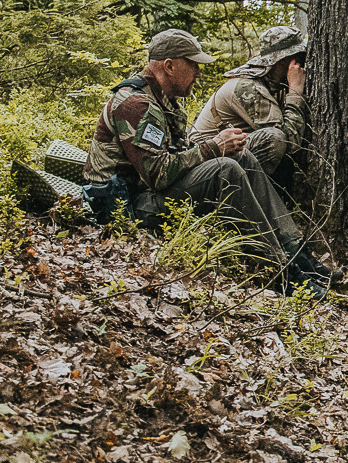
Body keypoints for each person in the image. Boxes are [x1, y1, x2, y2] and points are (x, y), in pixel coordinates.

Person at [84, 29, 331, 293]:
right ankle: (281, 272)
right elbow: (157, 175)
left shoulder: (162, 100)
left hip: (146, 195)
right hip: (126, 208)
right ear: (169, 66)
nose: (199, 74)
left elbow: (175, 153)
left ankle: (298, 254)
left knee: (241, 156)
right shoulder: (136, 104)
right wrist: (212, 148)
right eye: (193, 65)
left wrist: (218, 148)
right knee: (224, 169)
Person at [186, 26, 307, 176]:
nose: (302, 65)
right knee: (274, 139)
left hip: (217, 159)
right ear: (282, 61)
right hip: (204, 163)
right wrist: (295, 92)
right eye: (298, 59)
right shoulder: (248, 88)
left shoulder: (272, 84)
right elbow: (290, 143)